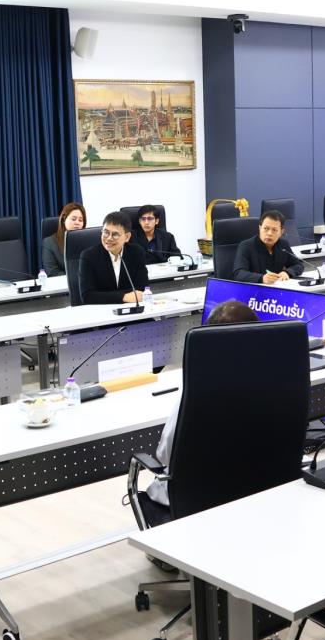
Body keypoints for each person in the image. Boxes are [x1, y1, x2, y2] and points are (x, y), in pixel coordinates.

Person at [145, 299, 259, 508]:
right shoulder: (274, 380)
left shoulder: (197, 390)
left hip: (195, 499)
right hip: (259, 490)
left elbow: (167, 455)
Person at [78, 211, 149, 304]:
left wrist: (105, 296)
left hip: (130, 308)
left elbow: (142, 289)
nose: (109, 238)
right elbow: (87, 296)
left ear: (127, 237)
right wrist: (123, 297)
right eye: (106, 232)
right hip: (101, 310)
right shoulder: (89, 256)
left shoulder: (137, 252)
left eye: (115, 234)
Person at [233, 210, 304, 283]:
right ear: (260, 228)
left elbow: (298, 265)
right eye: (266, 228)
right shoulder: (246, 246)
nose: (269, 233)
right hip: (254, 288)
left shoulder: (283, 245)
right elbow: (239, 273)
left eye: (274, 230)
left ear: (281, 232)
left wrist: (287, 272)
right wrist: (262, 278)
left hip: (277, 286)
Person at [42, 202, 86, 277]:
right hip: (63, 282)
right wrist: (75, 278)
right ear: (63, 220)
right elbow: (52, 272)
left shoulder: (87, 240)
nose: (77, 223)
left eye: (80, 220)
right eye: (73, 219)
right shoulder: (49, 242)